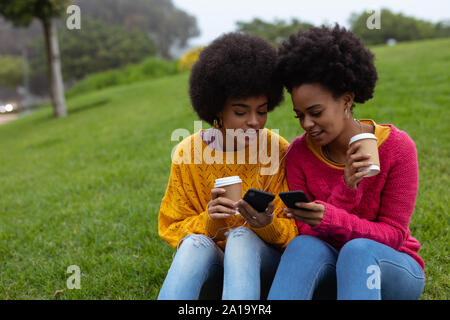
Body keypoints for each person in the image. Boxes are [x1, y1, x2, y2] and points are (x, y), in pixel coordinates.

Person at [267, 25, 425, 300]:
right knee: (303, 245)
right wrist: (346, 189)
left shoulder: (397, 148)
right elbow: (307, 230)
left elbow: (394, 235)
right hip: (331, 266)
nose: (307, 124)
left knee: (358, 250)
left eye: (315, 112)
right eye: (299, 115)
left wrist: (331, 215)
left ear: (347, 101)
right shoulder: (298, 154)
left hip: (392, 267)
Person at [157, 33, 298, 300]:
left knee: (241, 238)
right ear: (217, 109)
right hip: (214, 264)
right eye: (241, 112)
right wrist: (209, 220)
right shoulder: (189, 152)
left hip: (263, 265)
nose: (255, 121)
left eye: (262, 110)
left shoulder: (278, 150)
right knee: (192, 245)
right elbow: (171, 226)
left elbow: (296, 232)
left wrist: (265, 224)